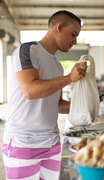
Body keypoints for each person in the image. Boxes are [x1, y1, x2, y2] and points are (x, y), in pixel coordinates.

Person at [1, 10, 87, 180]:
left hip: (51, 142)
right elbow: (30, 91)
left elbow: (56, 104)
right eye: (73, 34)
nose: (75, 41)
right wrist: (69, 78)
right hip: (23, 142)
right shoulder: (27, 50)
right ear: (59, 27)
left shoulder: (57, 65)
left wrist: (89, 105)